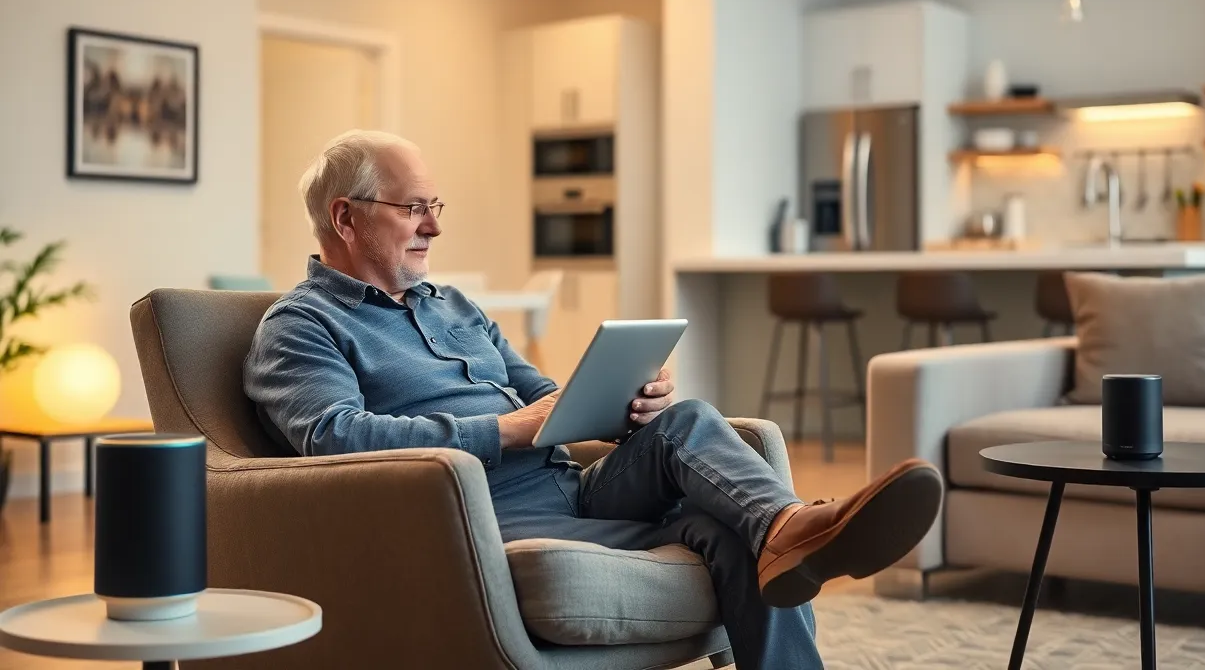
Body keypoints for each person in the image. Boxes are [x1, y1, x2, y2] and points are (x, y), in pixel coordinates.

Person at [244, 130, 943, 670]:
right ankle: (793, 530)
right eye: (415, 209)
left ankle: (788, 527)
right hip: (483, 518)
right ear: (345, 217)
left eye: (436, 207)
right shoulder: (303, 325)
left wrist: (619, 405)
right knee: (731, 535)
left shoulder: (451, 304)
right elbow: (335, 440)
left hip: (576, 492)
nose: (434, 226)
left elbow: (545, 395)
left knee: (686, 419)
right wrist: (508, 432)